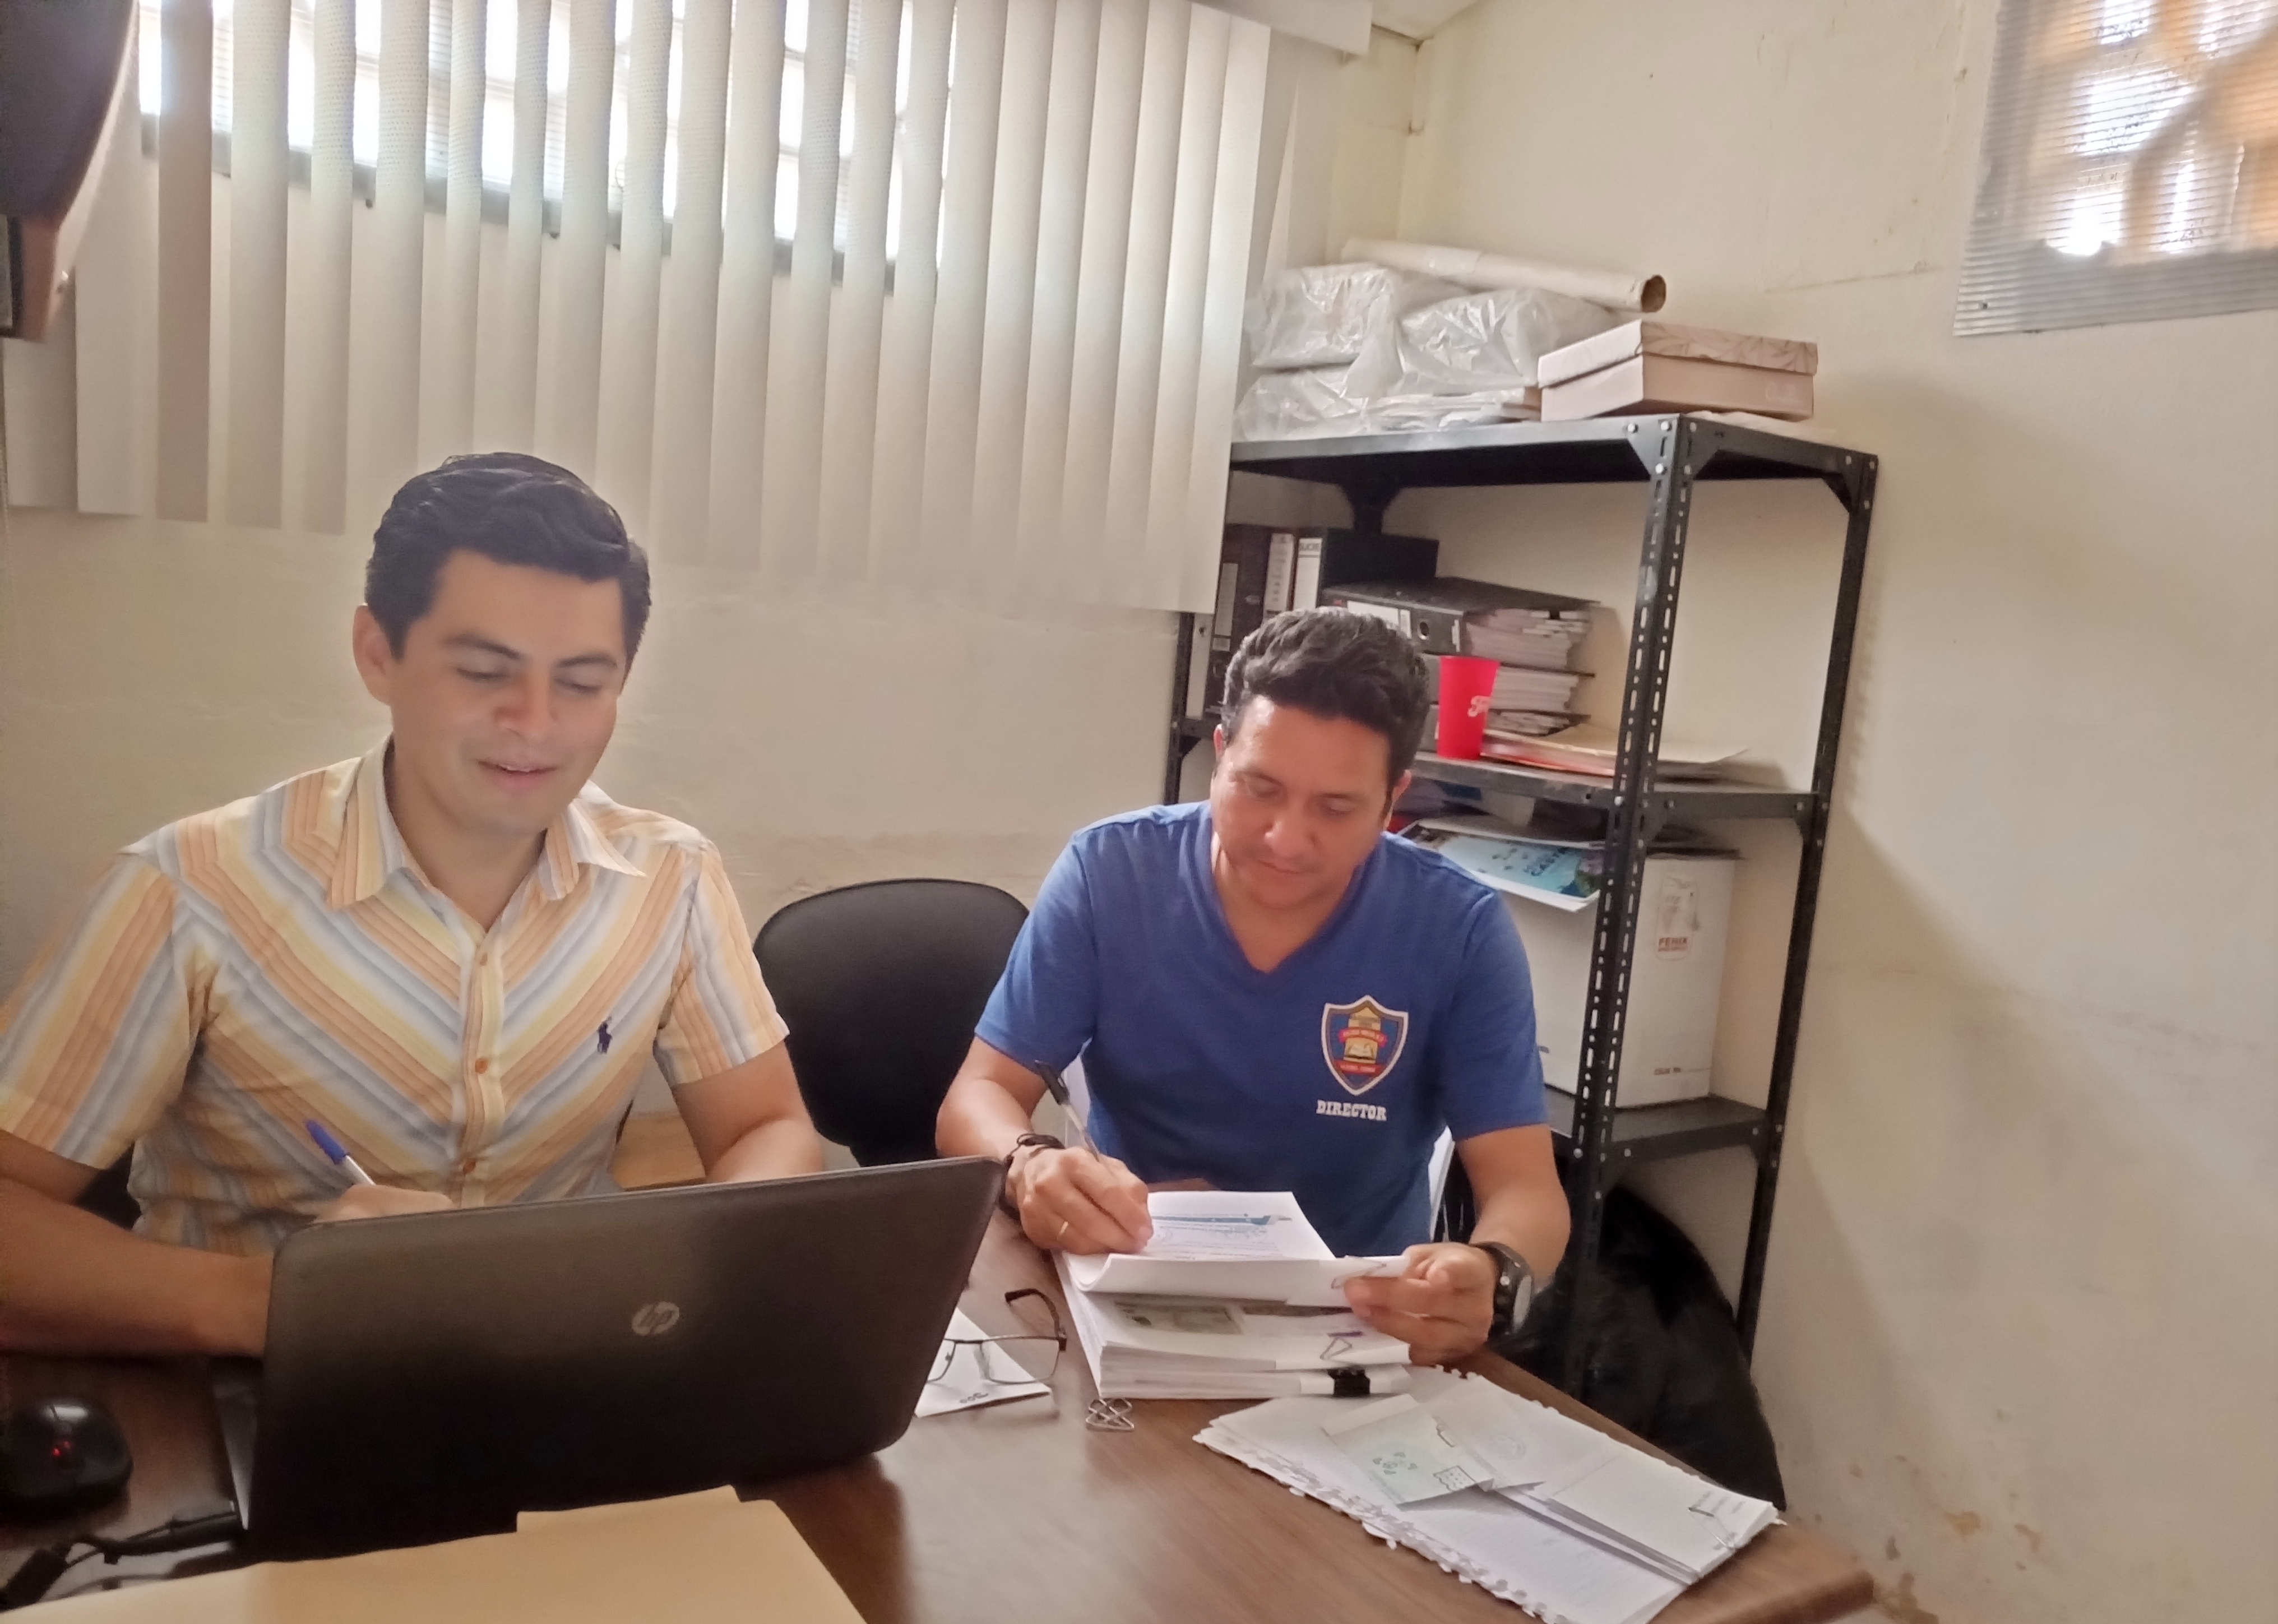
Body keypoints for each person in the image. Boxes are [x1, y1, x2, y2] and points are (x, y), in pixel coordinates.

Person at [0, 454, 823, 1358]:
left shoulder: (669, 876)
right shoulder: (188, 891)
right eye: (483, 671)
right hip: (258, 1385)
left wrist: (691, 1278)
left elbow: (766, 1127)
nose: (535, 722)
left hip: (570, 1361)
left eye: (583, 683)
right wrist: (277, 1302)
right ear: (377, 654)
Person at [938, 607, 1569, 1364]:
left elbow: (1527, 1188)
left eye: (1336, 808)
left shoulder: (1457, 928)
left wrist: (1495, 1273)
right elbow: (978, 1094)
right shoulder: (1111, 873)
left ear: (1392, 800)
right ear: (1220, 755)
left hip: (1350, 1327)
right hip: (1130, 1301)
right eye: (1260, 789)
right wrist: (1030, 1163)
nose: (1285, 840)